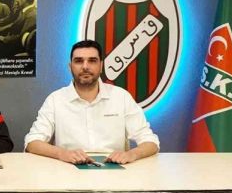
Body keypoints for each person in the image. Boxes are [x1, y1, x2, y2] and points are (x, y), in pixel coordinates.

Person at [24, 40, 159, 164]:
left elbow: (150, 141)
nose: (85, 66)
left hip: (115, 174)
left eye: (92, 61)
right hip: (68, 172)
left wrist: (131, 155)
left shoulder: (121, 97)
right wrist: (62, 154)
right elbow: (32, 142)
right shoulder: (55, 99)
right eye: (78, 61)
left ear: (101, 65)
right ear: (70, 66)